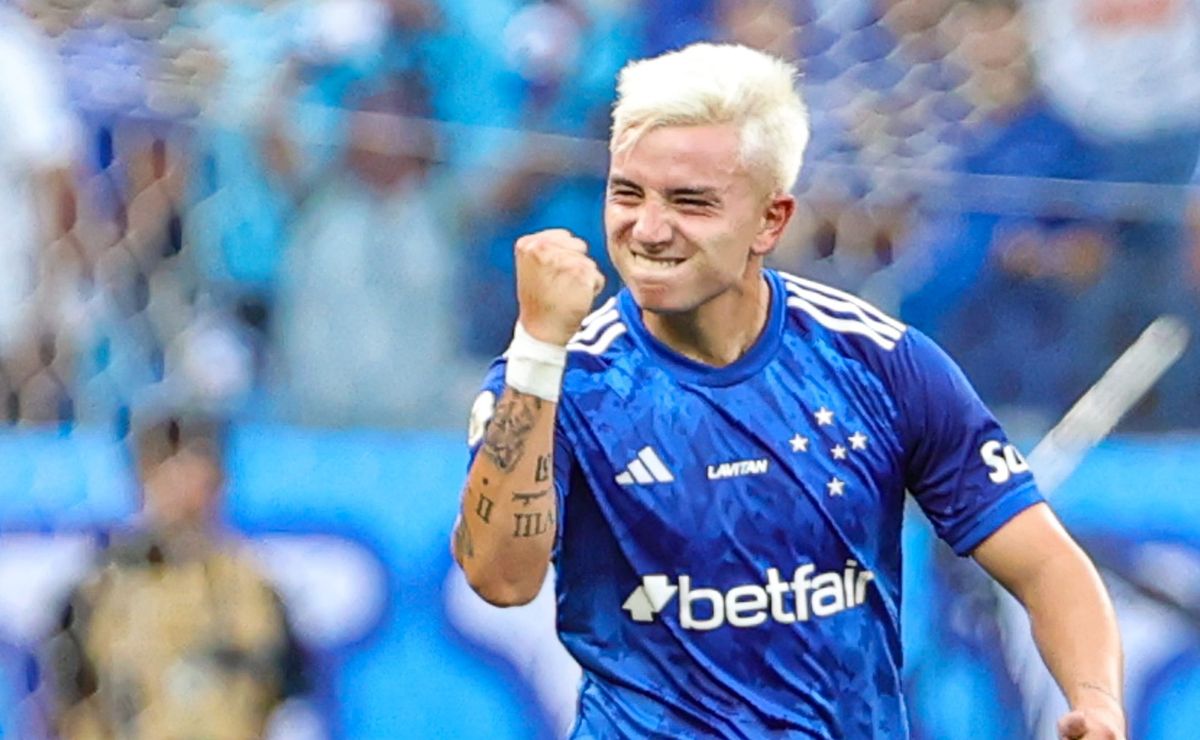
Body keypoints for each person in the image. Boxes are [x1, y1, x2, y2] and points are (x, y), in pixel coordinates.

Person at [451, 43, 1125, 738]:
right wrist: (537, 349)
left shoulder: (876, 362)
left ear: (770, 221)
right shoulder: (560, 377)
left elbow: (1047, 564)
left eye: (690, 202)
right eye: (628, 193)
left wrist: (1098, 701)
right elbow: (500, 579)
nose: (647, 229)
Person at [41, 405, 307, 739]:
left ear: (219, 481)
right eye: (165, 467)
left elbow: (291, 698)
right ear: (143, 478)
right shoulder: (98, 591)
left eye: (196, 468)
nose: (182, 488)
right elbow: (69, 705)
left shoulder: (255, 591)